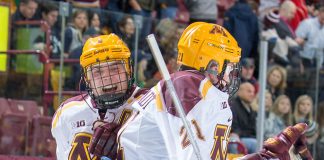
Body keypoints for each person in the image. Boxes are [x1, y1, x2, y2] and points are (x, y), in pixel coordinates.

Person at [115, 22, 312, 160]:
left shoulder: (179, 86)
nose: (231, 75)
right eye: (229, 67)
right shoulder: (195, 88)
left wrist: (265, 157)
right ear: (213, 66)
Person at [51, 34, 146, 160]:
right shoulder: (67, 112)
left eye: (115, 69)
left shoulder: (150, 106)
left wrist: (126, 149)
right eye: (97, 72)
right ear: (87, 79)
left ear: (129, 70)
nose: (107, 77)